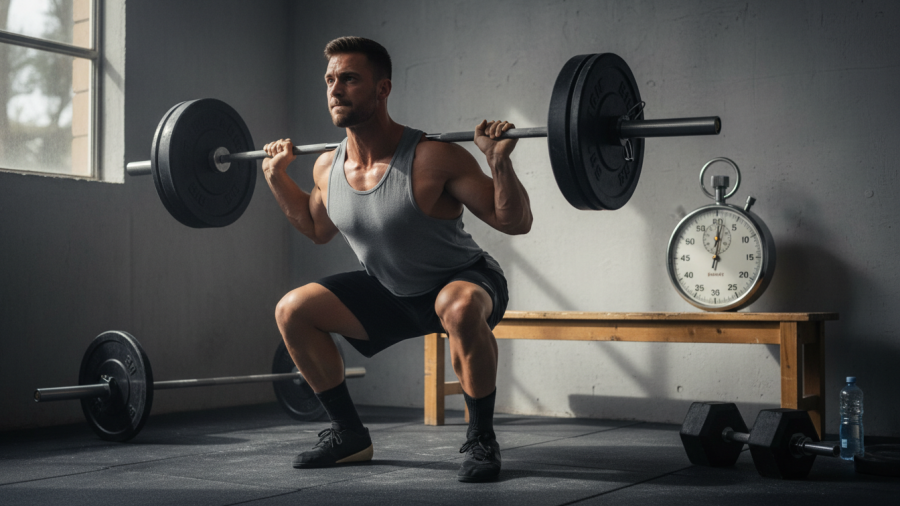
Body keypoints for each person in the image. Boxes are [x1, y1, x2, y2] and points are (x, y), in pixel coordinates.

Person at [261, 36, 532, 483]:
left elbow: (514, 222)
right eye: (330, 79)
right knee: (292, 310)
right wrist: (276, 178)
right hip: (389, 289)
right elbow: (316, 229)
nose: (335, 89)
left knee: (459, 307)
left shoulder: (433, 156)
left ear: (382, 89)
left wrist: (498, 162)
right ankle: (349, 434)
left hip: (463, 280)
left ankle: (481, 438)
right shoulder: (328, 167)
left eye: (349, 78)